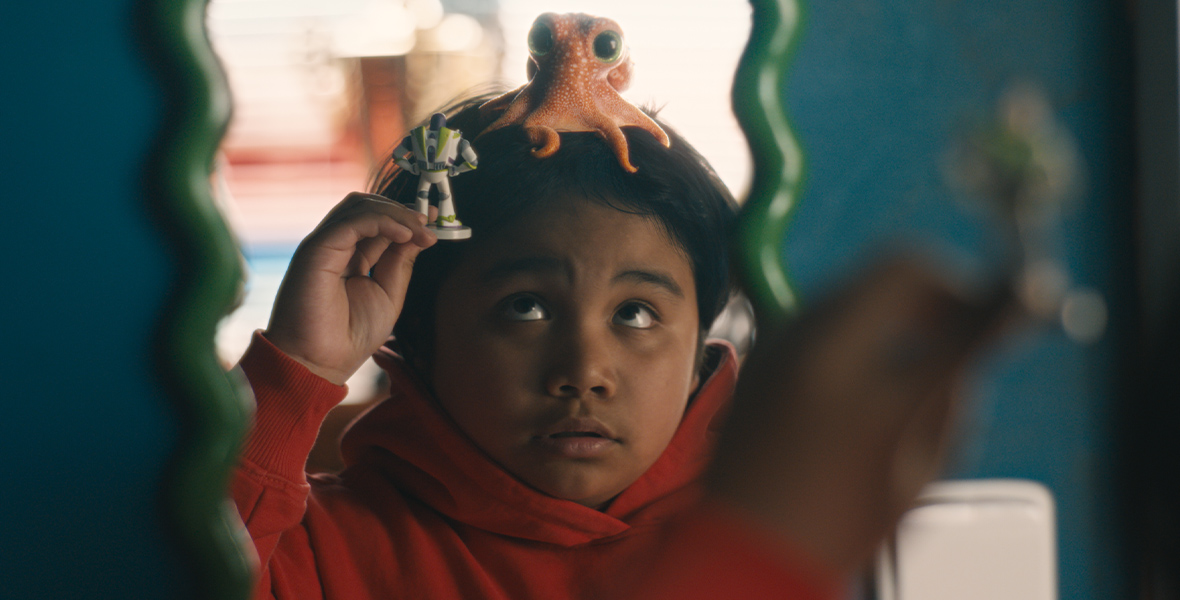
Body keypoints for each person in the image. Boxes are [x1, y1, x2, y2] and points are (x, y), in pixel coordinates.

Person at [231, 92, 1007, 599]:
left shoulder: (808, 528)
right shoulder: (328, 552)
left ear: (702, 344)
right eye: (526, 307)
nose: (584, 372)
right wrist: (297, 370)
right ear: (420, 337)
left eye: (636, 315)